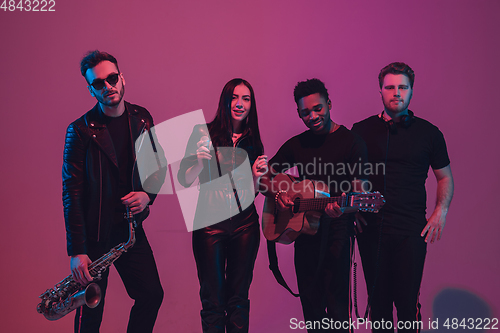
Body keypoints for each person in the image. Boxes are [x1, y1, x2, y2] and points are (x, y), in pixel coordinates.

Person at [63, 50, 167, 333]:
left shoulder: (142, 118)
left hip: (129, 233)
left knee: (151, 295)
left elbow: (157, 167)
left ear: (122, 79)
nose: (107, 86)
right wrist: (77, 250)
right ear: (91, 90)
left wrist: (148, 195)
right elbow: (71, 193)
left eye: (112, 78)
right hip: (95, 237)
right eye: (99, 83)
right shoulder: (79, 131)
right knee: (91, 312)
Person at [351, 62, 454, 332]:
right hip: (371, 230)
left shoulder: (429, 133)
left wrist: (440, 212)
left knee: (407, 304)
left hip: (411, 230)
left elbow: (444, 177)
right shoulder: (360, 130)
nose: (396, 92)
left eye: (402, 87)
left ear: (411, 91)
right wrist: (355, 210)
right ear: (381, 91)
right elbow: (352, 176)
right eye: (390, 87)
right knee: (379, 306)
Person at [260, 78, 368, 332]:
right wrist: (278, 195)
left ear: (329, 104)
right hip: (306, 232)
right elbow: (264, 177)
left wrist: (344, 207)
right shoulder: (297, 144)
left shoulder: (352, 143)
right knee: (312, 309)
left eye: (317, 108)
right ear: (299, 114)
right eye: (305, 112)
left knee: (338, 307)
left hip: (338, 230)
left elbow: (361, 191)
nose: (313, 116)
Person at [177, 78, 268, 333]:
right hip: (209, 224)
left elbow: (256, 190)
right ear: (225, 101)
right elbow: (184, 178)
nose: (240, 104)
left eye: (246, 99)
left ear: (252, 104)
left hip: (245, 224)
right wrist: (197, 160)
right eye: (234, 98)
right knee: (212, 300)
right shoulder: (202, 132)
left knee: (238, 300)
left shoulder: (253, 139)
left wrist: (259, 176)